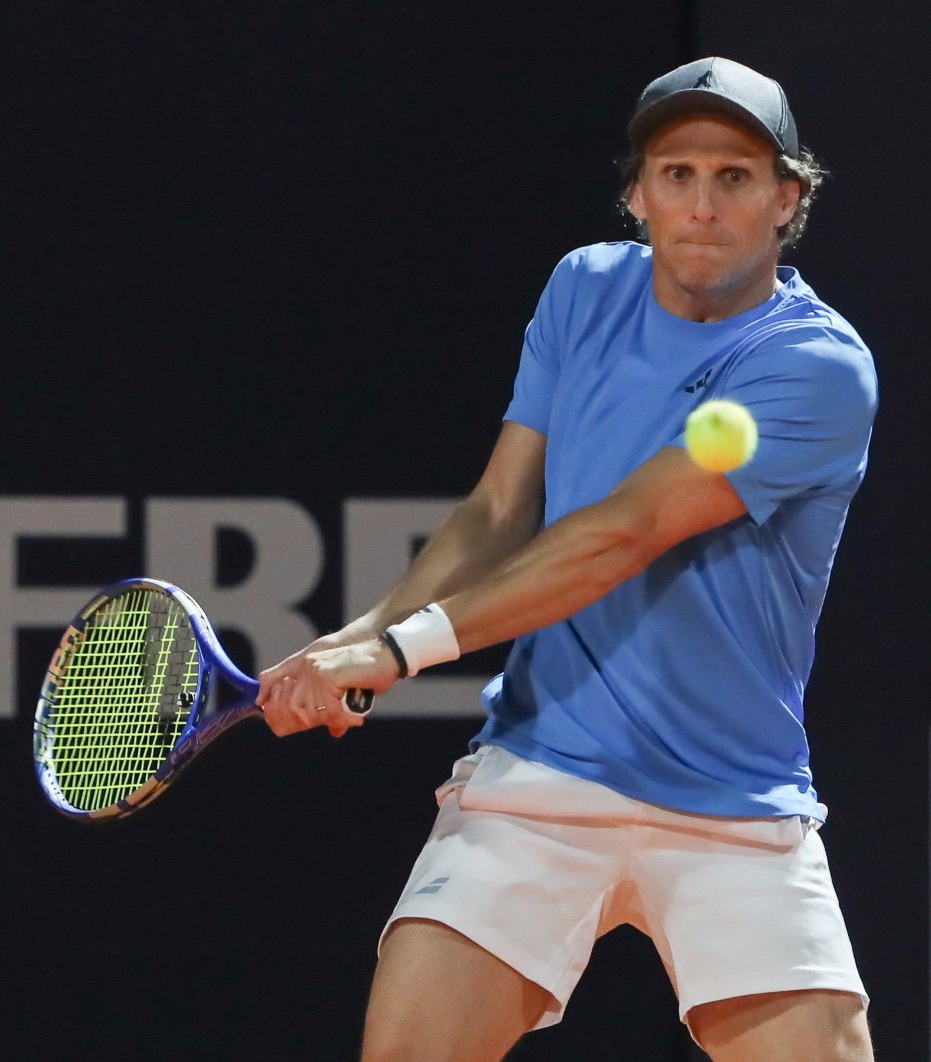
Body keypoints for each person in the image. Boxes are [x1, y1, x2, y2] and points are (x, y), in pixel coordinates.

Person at [257, 56, 878, 1062]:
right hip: (542, 774)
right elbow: (500, 506)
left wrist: (402, 651)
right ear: (637, 195)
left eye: (735, 176)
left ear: (786, 198)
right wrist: (360, 637)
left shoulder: (816, 368)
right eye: (677, 174)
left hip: (732, 803)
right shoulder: (582, 290)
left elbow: (622, 534)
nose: (703, 204)